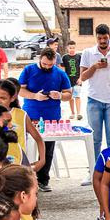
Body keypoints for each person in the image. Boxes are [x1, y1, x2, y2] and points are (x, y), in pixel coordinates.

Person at [18, 48, 72, 192]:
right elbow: (20, 90)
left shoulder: (60, 73)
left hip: (52, 117)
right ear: (39, 59)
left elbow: (69, 94)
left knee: (48, 149)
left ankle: (43, 179)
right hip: (30, 115)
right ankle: (26, 179)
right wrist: (34, 96)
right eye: (45, 64)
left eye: (50, 65)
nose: (47, 67)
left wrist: (60, 95)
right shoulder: (28, 70)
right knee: (27, 147)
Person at [79, 24, 110, 158]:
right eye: (99, 38)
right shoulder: (88, 53)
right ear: (96, 38)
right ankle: (94, 168)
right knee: (95, 139)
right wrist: (94, 67)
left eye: (105, 38)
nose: (102, 41)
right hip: (94, 101)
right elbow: (82, 77)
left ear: (109, 37)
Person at [0, 79, 45, 174]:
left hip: (19, 164)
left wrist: (42, 160)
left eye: (3, 98)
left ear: (13, 98)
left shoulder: (21, 115)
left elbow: (38, 138)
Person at [62, 40, 82, 120]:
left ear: (75, 48)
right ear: (67, 48)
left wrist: (81, 78)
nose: (72, 49)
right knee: (70, 97)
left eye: (73, 48)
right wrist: (64, 81)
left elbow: (82, 68)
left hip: (77, 81)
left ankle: (79, 113)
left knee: (77, 96)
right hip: (68, 81)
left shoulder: (79, 57)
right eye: (70, 48)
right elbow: (63, 70)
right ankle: (72, 113)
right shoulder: (65, 57)